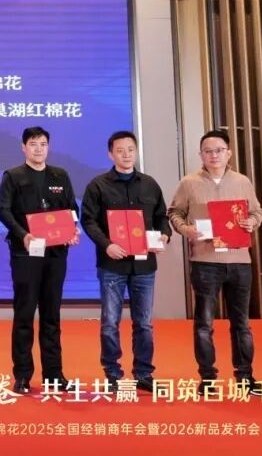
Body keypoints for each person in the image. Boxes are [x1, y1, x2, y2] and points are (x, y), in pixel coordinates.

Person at [167, 129, 262, 396]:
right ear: (200, 154)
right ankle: (207, 378)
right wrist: (186, 230)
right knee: (204, 323)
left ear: (229, 153)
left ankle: (245, 377)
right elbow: (175, 212)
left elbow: (257, 211)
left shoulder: (242, 181)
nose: (214, 155)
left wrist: (252, 222)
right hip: (205, 261)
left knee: (241, 323)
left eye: (219, 150)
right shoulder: (189, 182)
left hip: (239, 261)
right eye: (208, 151)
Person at [80, 130, 171, 392]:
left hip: (144, 265)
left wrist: (164, 235)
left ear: (136, 151)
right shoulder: (98, 185)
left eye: (130, 149)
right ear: (111, 154)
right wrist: (107, 245)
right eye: (120, 150)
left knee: (144, 323)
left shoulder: (150, 184)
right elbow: (89, 220)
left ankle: (144, 373)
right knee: (110, 322)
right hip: (113, 264)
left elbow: (162, 216)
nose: (126, 155)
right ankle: (113, 373)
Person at [0, 125, 80, 394]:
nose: (38, 149)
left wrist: (73, 230)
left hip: (55, 254)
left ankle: (54, 375)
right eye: (33, 144)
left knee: (51, 315)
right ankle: (22, 375)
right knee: (24, 314)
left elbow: (71, 209)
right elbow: (4, 211)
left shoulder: (60, 175)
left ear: (48, 147)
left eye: (43, 144)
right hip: (26, 253)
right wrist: (24, 235)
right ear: (23, 147)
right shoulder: (13, 176)